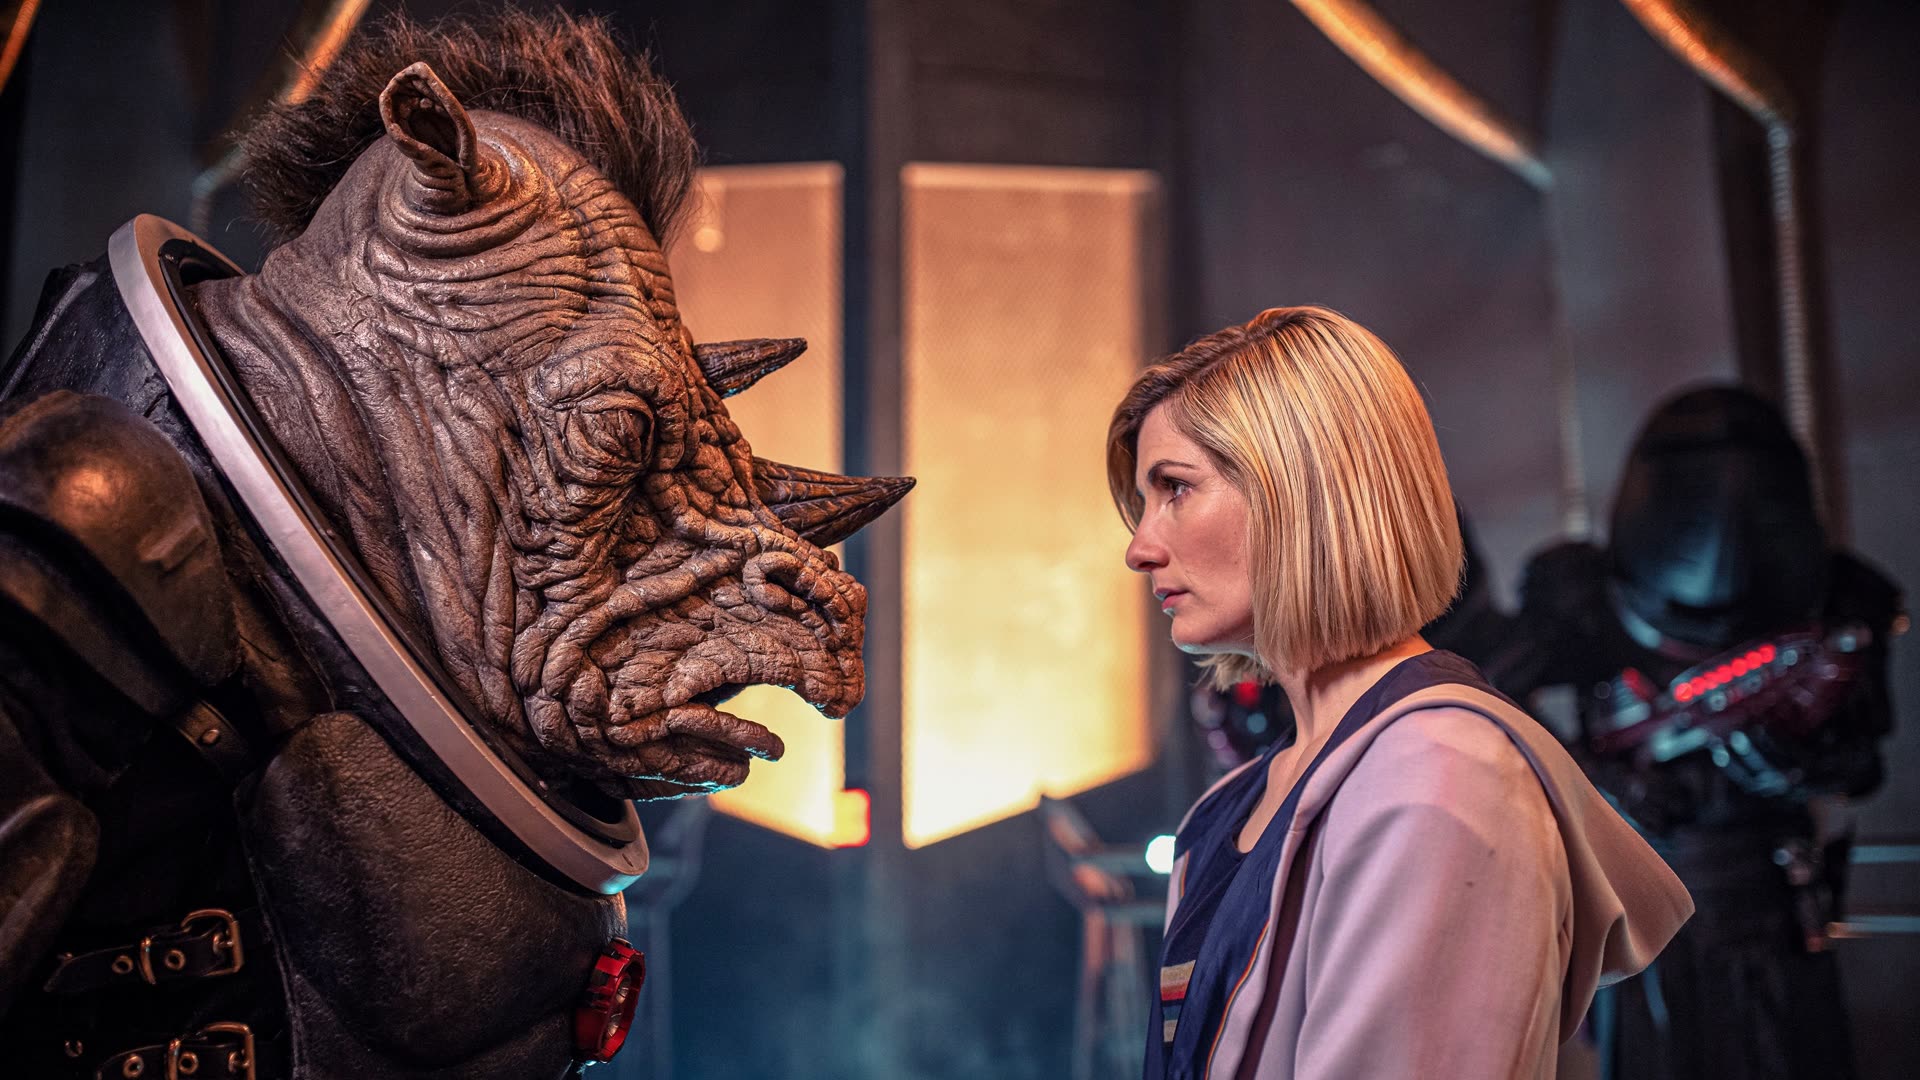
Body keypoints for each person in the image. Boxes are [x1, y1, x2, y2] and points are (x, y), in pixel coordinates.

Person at [1106, 306, 1693, 1079]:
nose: (1140, 548)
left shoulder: (1438, 776)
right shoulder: (1229, 810)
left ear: (1303, 493)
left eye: (1176, 489)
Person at [1503, 386, 1904, 1080]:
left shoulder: (1843, 603)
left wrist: (1787, 763)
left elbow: (1861, 763)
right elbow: (1491, 709)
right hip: (1640, 902)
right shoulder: (1581, 600)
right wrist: (1598, 784)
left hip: (1775, 905)